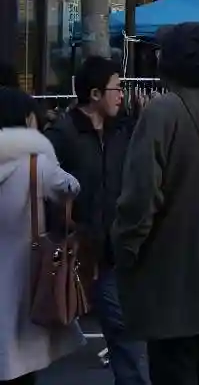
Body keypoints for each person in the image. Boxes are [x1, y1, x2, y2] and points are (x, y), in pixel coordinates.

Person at [113, 22, 199, 385]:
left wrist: (125, 250)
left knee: (174, 368)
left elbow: (140, 198)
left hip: (171, 274)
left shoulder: (162, 112)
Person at [46, 56, 147, 385]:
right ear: (94, 94)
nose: (121, 95)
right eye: (116, 88)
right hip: (79, 247)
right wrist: (67, 226)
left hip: (116, 246)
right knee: (116, 324)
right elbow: (47, 188)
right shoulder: (63, 135)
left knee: (122, 324)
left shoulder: (123, 130)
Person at [0, 87, 83, 384]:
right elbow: (71, 187)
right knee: (20, 363)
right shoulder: (36, 165)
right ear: (26, 120)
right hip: (25, 273)